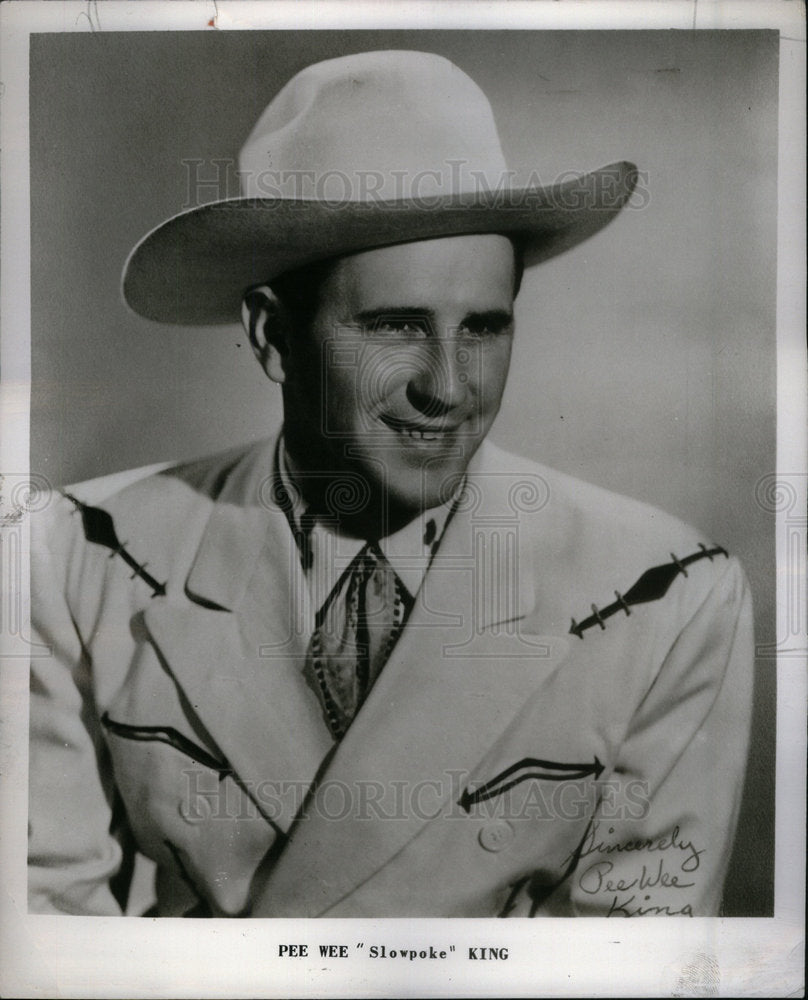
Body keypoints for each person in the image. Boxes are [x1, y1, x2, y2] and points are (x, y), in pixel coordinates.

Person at [28, 50, 753, 918]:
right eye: (396, 326)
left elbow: (634, 966)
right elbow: (47, 934)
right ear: (270, 336)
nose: (448, 388)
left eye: (484, 328)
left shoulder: (664, 596)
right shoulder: (78, 556)